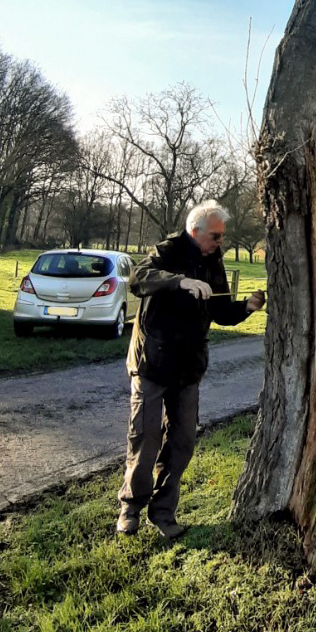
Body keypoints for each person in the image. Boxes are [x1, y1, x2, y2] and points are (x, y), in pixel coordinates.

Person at [116, 200, 265, 538]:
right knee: (146, 439)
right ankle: (130, 509)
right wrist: (180, 281)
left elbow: (221, 311)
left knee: (182, 441)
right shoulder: (167, 250)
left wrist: (247, 307)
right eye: (215, 236)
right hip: (152, 363)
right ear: (195, 231)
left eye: (222, 237)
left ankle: (164, 513)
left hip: (188, 367)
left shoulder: (214, 261)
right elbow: (139, 278)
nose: (220, 242)